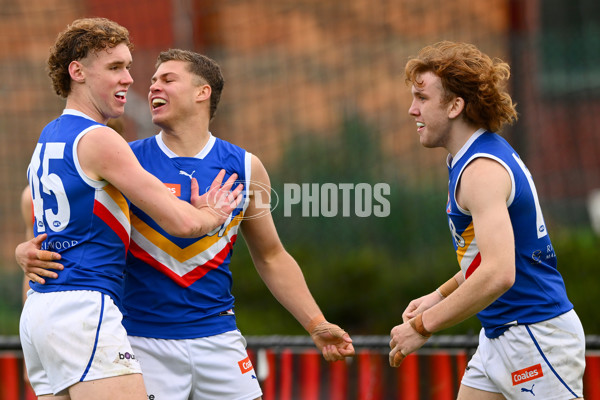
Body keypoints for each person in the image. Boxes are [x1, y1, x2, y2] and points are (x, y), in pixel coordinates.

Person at [18, 48, 355, 400]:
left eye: (167, 79)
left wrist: (316, 324)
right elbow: (51, 205)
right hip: (140, 341)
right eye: (152, 81)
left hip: (219, 338)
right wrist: (25, 249)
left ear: (202, 91)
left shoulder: (245, 166)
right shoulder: (126, 158)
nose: (151, 87)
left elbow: (271, 256)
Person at [18, 18, 242, 400]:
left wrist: (23, 251)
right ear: (77, 72)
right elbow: (182, 222)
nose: (129, 78)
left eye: (127, 65)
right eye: (114, 67)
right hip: (84, 308)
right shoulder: (100, 139)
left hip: (42, 310)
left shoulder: (48, 137)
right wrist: (211, 215)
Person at [388, 41, 585, 399]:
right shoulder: (471, 159)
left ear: (455, 106)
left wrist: (422, 326)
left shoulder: (480, 170)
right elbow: (483, 257)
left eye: (422, 98)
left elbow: (499, 272)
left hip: (534, 335)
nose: (411, 110)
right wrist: (438, 295)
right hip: (501, 334)